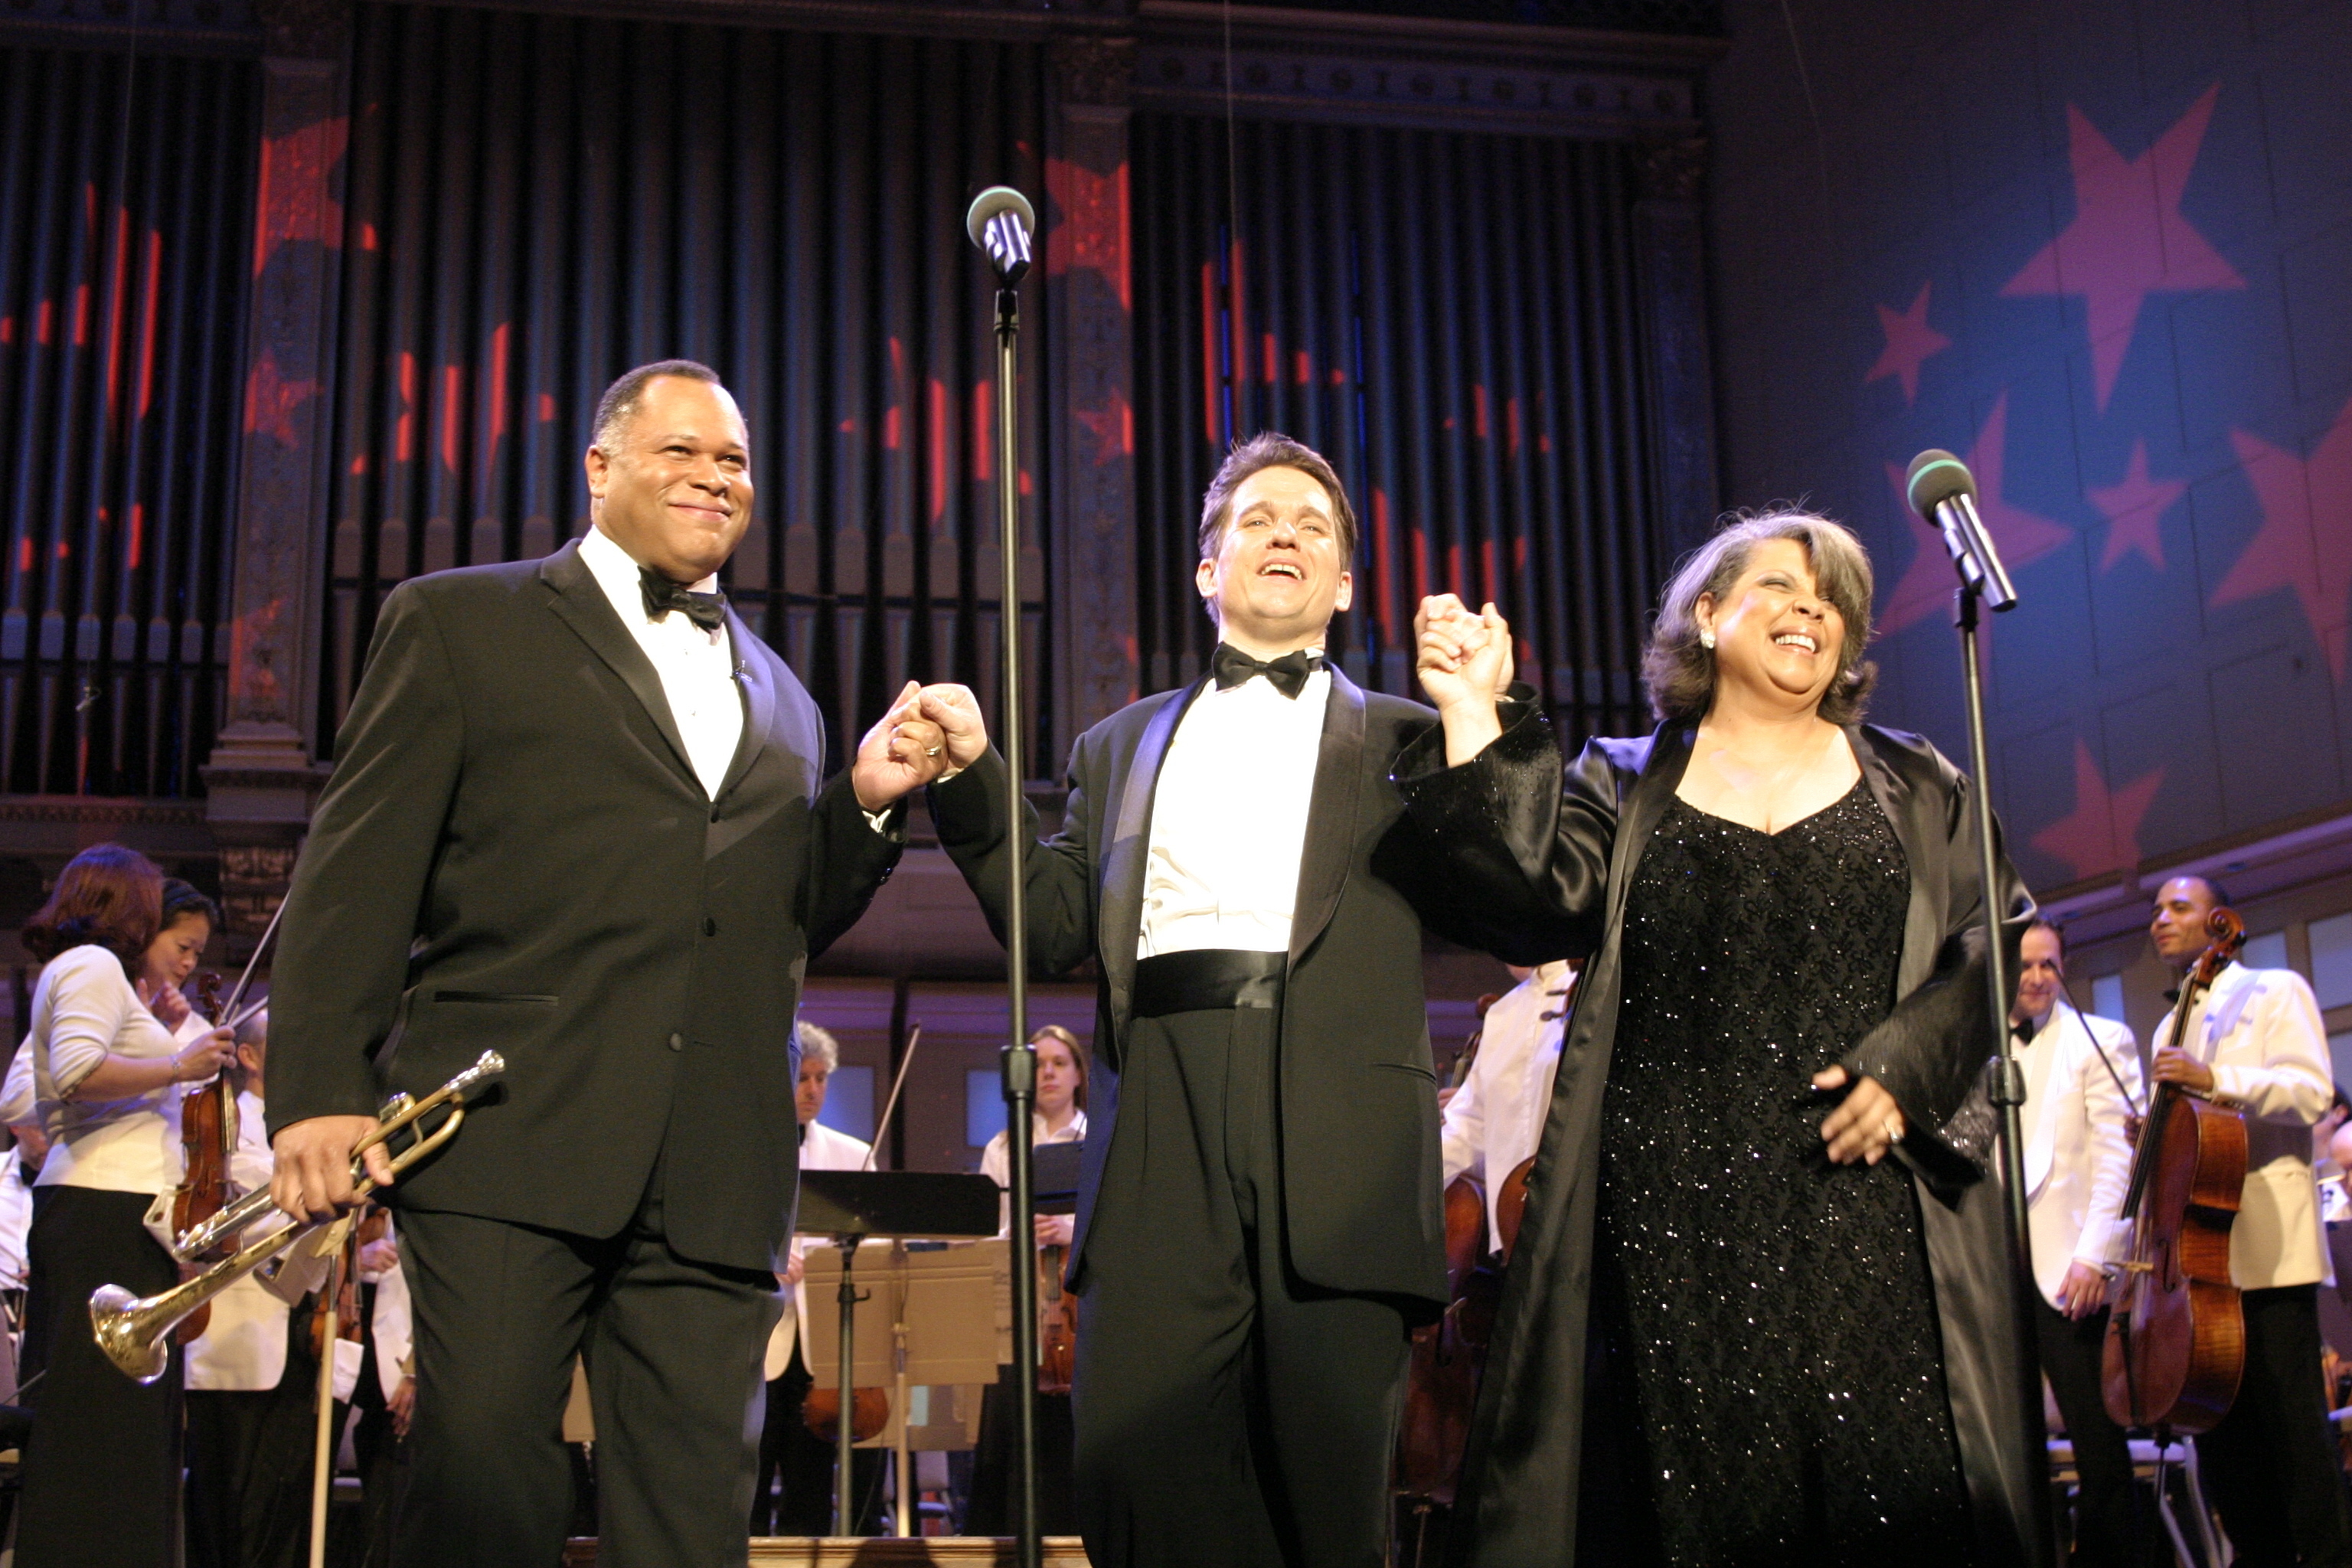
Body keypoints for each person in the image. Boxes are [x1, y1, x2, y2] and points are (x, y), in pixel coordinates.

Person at [265, 360, 953, 1568]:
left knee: (691, 1519)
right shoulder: (458, 620)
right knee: (481, 1476)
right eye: (681, 450)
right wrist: (319, 1083)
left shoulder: (785, 699)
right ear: (599, 468)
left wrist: (863, 806)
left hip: (713, 1170)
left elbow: (773, 920)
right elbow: (355, 870)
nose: (713, 476)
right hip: (507, 1131)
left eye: (733, 460)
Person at [910, 432, 1562, 1568]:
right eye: (1257, 519)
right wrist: (973, 779)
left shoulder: (1413, 741)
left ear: (1347, 584)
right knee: (1133, 1472)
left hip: (1340, 1133)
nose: (1286, 536)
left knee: (1327, 1492)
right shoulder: (1117, 744)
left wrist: (1476, 719)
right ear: (1208, 568)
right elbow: (1060, 922)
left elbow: (1521, 909)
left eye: (1314, 527)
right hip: (1157, 1106)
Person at [1399, 510, 2045, 1566]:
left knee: (1899, 1494)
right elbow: (1525, 902)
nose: (1811, 609)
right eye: (1783, 585)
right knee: (1701, 1513)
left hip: (1874, 1208)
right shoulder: (1624, 780)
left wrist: (1908, 1068)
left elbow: (1995, 934)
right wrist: (1475, 712)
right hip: (1674, 1226)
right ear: (1706, 614)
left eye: (1833, 599)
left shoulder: (1920, 783)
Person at [13, 843, 237, 1566]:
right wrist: (180, 1064)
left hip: (110, 1211)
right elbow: (75, 1074)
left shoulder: (96, 974)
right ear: (127, 904)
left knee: (116, 1427)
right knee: (99, 1427)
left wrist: (163, 1030)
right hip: (102, 1211)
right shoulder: (92, 965)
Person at [2148, 875, 2352, 1566]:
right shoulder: (2165, 1023)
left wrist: (2214, 1081)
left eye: (2178, 907)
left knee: (2296, 1439)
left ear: (2217, 921)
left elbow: (2309, 1091)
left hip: (2267, 1252)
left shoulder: (2275, 990)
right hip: (2198, 1271)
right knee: (2226, 1449)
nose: (2160, 920)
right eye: (2155, 911)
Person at [2009, 919, 2142, 1568]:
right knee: (2013, 1450)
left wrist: (2097, 1256)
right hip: (2001, 1277)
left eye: (2049, 965)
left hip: (2069, 1271)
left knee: (2098, 1447)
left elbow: (2120, 1162)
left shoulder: (2101, 1040)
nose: (2037, 978)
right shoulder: (1983, 1049)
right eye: (2026, 964)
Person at [184, 1006, 338, 1568]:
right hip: (234, 1332)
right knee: (226, 1503)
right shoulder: (219, 1121)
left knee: (285, 1501)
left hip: (306, 1325)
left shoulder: (315, 1123)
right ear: (248, 1057)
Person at [752, 1021, 884, 1537]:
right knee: (753, 1475)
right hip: (762, 1337)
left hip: (824, 1341)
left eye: (821, 1078)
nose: (813, 1090)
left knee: (811, 1482)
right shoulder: (748, 1152)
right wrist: (767, 1257)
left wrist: (832, 1260)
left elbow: (872, 1248)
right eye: (803, 1077)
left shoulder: (855, 1155)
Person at [965, 1023, 1089, 1536]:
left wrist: (1070, 1229)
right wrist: (1021, 1230)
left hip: (1078, 1310)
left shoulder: (1098, 1139)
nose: (1048, 1073)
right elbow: (984, 1230)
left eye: (1060, 1062)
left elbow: (1117, 1218)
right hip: (1019, 1306)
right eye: (1039, 1064)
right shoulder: (1003, 1146)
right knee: (1010, 1431)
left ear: (1079, 1073)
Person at [1440, 962, 1576, 1250]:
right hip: (1510, 1229)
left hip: (1576, 1219)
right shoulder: (1503, 1012)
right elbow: (1469, 1128)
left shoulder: (1589, 990)